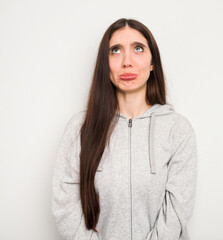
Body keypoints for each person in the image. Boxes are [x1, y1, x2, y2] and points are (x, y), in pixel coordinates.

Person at [51, 18, 198, 240]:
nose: (127, 62)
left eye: (138, 49)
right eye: (116, 51)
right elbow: (66, 206)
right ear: (105, 63)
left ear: (152, 63)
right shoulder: (80, 128)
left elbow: (177, 213)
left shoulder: (177, 130)